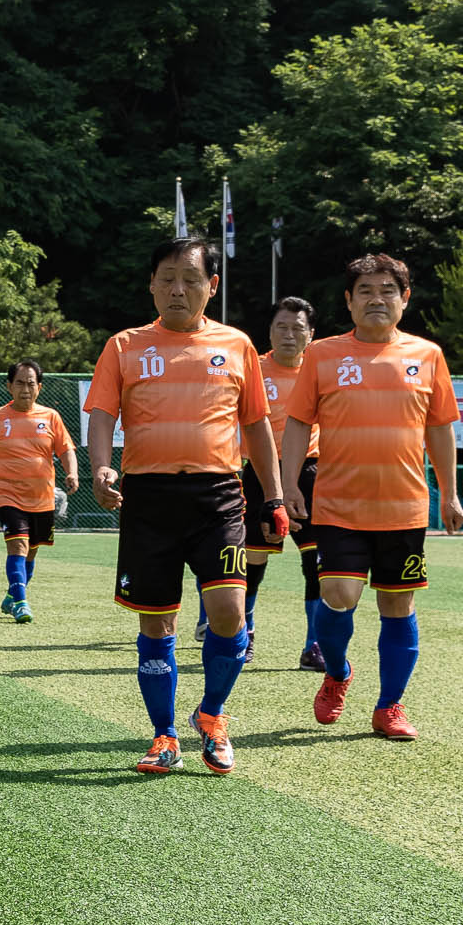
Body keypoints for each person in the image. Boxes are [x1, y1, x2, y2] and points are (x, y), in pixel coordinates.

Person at [86, 237, 287, 777]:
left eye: (191, 278)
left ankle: (213, 715)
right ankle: (164, 734)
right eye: (168, 278)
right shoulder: (124, 346)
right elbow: (102, 414)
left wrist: (274, 496)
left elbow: (256, 426)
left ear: (211, 287)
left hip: (218, 496)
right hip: (148, 498)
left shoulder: (238, 345)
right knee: (158, 623)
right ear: (152, 284)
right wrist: (101, 467)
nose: (178, 288)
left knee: (229, 612)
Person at [282, 254, 461, 741]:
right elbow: (298, 422)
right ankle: (338, 672)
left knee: (397, 607)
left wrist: (449, 493)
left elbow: (440, 428)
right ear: (349, 300)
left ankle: (389, 706)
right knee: (338, 597)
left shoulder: (427, 355)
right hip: (339, 506)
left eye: (387, 290)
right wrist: (289, 484)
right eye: (365, 290)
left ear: (405, 298)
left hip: (403, 509)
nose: (376, 298)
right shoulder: (322, 354)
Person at [0, 361, 78, 625]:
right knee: (17, 546)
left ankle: (11, 595)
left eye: (31, 383)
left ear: (39, 387)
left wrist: (72, 472)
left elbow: (66, 450)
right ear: (9, 386)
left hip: (42, 498)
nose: (25, 388)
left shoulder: (51, 417)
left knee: (32, 551)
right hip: (9, 497)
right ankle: (20, 603)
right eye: (20, 382)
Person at [258, 296, 326, 671]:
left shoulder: (321, 370)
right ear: (269, 332)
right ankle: (243, 634)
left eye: (297, 328)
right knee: (252, 557)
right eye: (281, 327)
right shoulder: (252, 369)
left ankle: (313, 645)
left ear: (311, 334)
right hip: (259, 473)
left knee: (316, 560)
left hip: (309, 472)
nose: (288, 335)